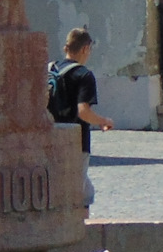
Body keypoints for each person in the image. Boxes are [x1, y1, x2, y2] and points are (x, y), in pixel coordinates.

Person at [48, 28, 115, 207]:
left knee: (55, 189)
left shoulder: (50, 69)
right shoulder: (84, 75)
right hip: (76, 143)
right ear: (85, 48)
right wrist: (104, 121)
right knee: (80, 194)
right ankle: (80, 231)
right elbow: (83, 111)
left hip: (49, 138)